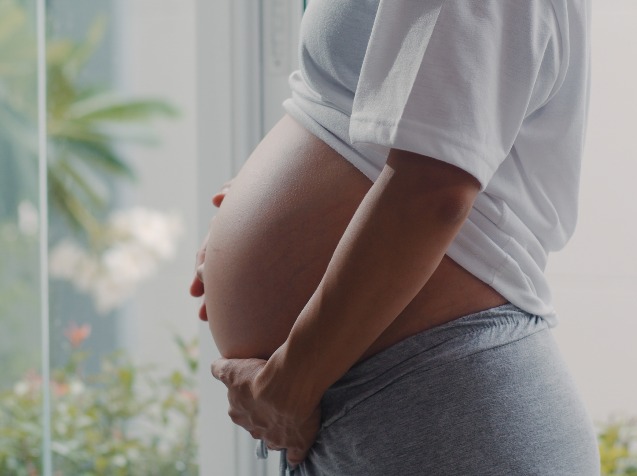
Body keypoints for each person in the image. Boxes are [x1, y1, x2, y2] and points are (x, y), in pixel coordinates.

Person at [190, 0, 600, 474]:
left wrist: (288, 387)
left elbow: (434, 192)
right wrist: (265, 197)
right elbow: (363, 109)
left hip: (440, 410)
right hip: (392, 405)